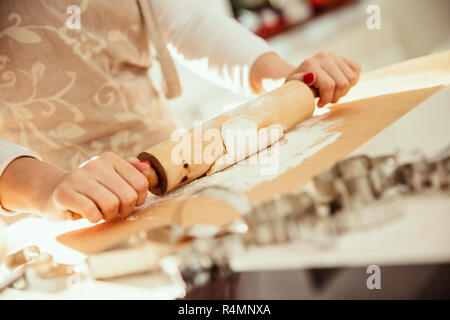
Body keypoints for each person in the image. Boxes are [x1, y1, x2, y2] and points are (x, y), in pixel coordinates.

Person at [0, 0, 361, 223]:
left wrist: (286, 81)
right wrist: (48, 188)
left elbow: (190, 26)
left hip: (172, 177)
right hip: (54, 215)